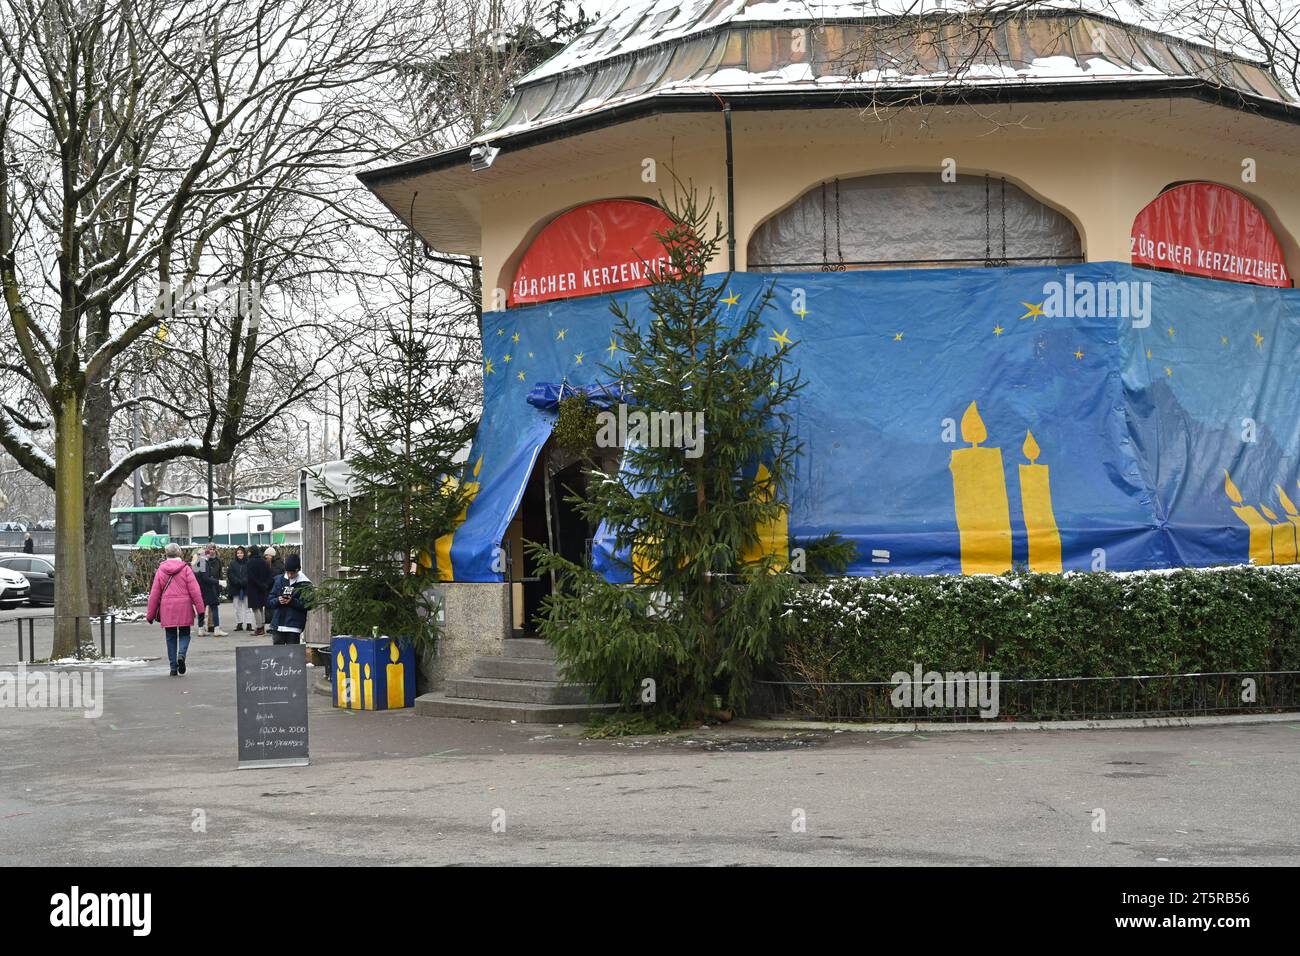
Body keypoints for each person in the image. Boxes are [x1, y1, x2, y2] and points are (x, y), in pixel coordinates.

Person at [145, 543, 206, 677]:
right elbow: (195, 590)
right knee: (185, 634)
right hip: (184, 606)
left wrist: (150, 615)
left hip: (168, 608)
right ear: (179, 553)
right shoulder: (186, 569)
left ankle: (173, 668)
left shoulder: (161, 570)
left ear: (166, 554)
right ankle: (181, 655)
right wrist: (200, 609)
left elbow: (154, 593)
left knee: (170, 637)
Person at [267, 554, 312, 645]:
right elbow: (270, 600)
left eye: (292, 573)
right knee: (277, 656)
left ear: (297, 570)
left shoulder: (305, 583)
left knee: (292, 654)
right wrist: (278, 600)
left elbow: (308, 604)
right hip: (278, 625)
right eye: (288, 572)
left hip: (294, 626)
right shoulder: (279, 580)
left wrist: (292, 601)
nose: (290, 575)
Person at [193, 544, 226, 636]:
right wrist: (218, 582)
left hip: (200, 589)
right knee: (214, 607)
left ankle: (200, 629)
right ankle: (217, 629)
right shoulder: (204, 562)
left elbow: (198, 577)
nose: (209, 553)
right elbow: (206, 578)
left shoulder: (197, 563)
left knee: (201, 609)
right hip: (208, 589)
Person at [246, 545, 273, 637]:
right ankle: (262, 627)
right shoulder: (263, 562)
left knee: (255, 608)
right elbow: (269, 575)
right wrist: (265, 585)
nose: (248, 553)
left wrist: (258, 584)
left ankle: (259, 628)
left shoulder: (250, 562)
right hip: (263, 589)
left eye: (249, 551)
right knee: (261, 607)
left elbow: (251, 577)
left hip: (253, 588)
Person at [227, 546, 253, 631]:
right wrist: (237, 581)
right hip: (236, 588)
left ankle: (249, 624)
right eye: (238, 553)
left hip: (247, 588)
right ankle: (239, 623)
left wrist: (245, 581)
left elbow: (250, 573)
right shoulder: (232, 563)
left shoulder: (249, 563)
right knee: (237, 607)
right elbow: (230, 574)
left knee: (247, 607)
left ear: (244, 553)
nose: (239, 554)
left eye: (241, 553)